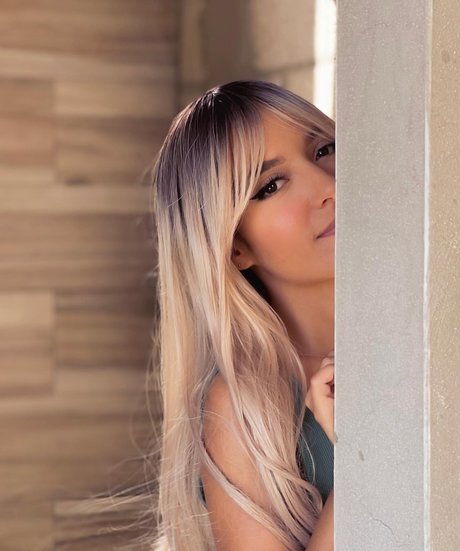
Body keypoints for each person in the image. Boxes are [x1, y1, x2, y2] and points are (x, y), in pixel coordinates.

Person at [148, 80, 336, 550]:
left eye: (325, 150)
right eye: (270, 186)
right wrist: (363, 454)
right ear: (235, 247)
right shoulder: (243, 410)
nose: (329, 186)